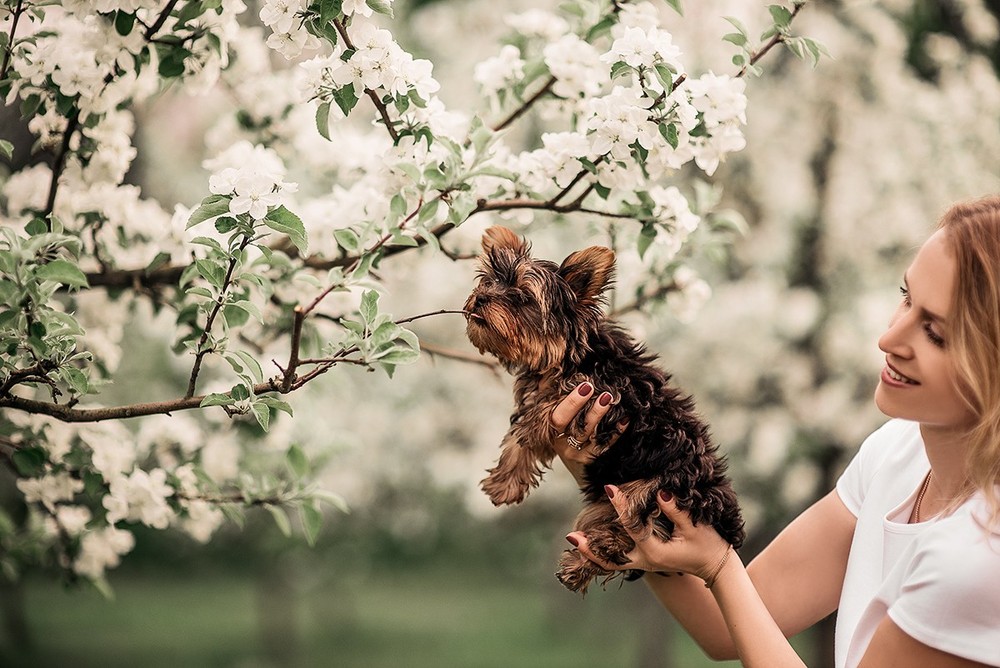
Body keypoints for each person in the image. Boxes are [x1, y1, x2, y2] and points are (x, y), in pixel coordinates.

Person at [550, 196, 1000, 668]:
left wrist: (720, 566)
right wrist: (614, 480)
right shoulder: (895, 453)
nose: (888, 339)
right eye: (905, 297)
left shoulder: (978, 557)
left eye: (935, 333)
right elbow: (729, 629)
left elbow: (728, 588)